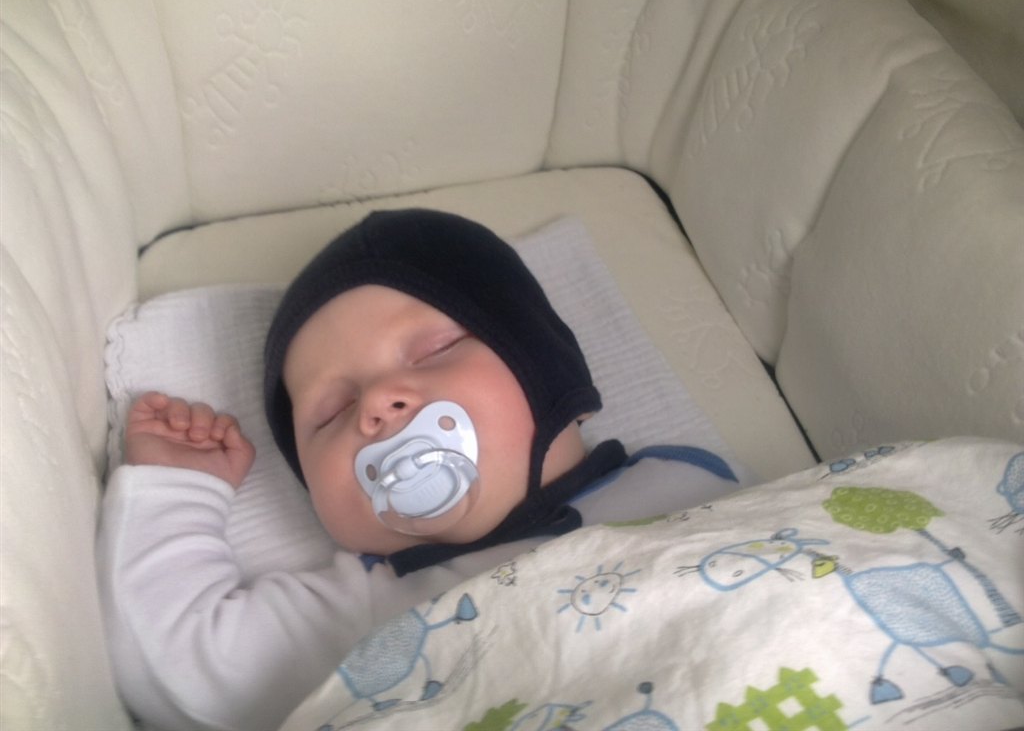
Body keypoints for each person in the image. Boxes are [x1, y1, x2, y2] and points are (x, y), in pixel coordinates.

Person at [98, 209, 740, 731]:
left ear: (548, 366)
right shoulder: (365, 619)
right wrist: (178, 488)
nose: (377, 403)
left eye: (437, 349)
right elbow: (180, 663)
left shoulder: (688, 484)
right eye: (331, 412)